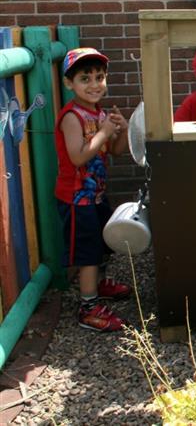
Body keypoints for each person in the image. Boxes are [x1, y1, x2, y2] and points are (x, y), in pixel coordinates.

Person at [55, 47, 131, 332]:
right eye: (85, 78)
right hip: (76, 199)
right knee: (87, 252)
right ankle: (88, 307)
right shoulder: (72, 117)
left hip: (95, 195)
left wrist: (120, 131)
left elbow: (117, 152)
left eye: (99, 77)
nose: (94, 84)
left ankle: (99, 286)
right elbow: (78, 156)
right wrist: (102, 133)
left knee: (103, 244)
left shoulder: (98, 113)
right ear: (69, 83)